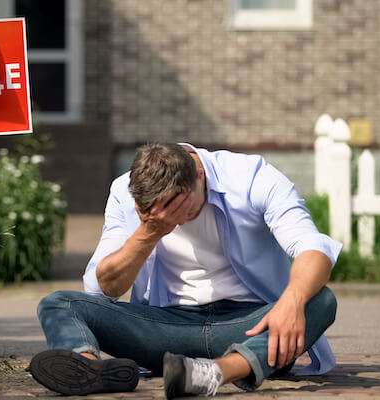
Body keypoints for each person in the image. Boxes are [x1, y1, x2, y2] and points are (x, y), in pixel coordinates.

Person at [29, 143, 341, 398]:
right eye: (155, 210)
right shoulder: (124, 192)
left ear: (199, 176)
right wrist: (149, 232)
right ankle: (88, 370)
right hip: (168, 327)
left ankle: (216, 373)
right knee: (59, 303)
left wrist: (292, 301)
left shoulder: (251, 177)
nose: (169, 218)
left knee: (320, 300)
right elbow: (100, 289)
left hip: (250, 326)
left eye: (176, 207)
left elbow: (312, 247)